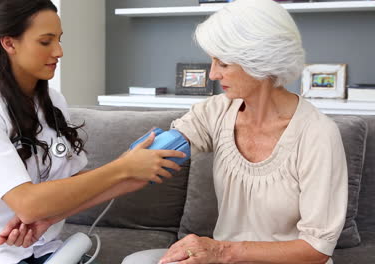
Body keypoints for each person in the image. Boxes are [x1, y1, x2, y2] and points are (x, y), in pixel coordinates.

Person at [0, 0, 185, 263]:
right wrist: (122, 168)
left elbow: (75, 184)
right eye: (46, 42)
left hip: (43, 247)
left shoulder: (53, 101)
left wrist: (133, 174)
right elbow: (28, 204)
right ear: (9, 43)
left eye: (59, 39)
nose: (59, 51)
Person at [122, 0, 348, 263]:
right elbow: (169, 146)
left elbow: (316, 250)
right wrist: (134, 163)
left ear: (260, 61)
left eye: (223, 64)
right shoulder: (217, 111)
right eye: (212, 62)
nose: (212, 75)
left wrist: (221, 251)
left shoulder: (318, 135)